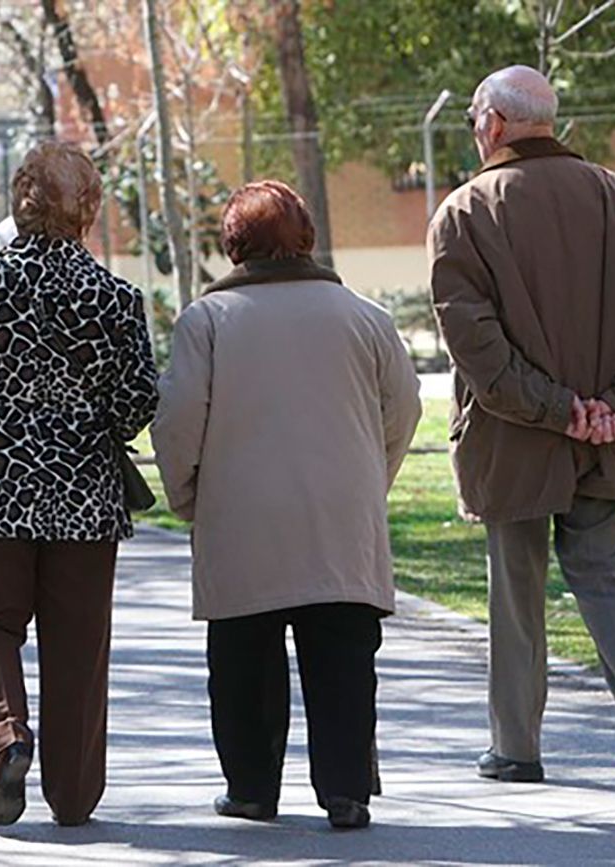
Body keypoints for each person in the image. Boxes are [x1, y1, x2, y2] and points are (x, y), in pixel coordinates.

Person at [428, 66, 615, 797]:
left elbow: (474, 344)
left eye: (476, 119)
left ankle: (516, 746)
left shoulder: (464, 212)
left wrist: (555, 407)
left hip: (515, 439)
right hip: (613, 435)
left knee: (516, 591)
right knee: (613, 577)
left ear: (493, 123)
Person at [153, 181, 422, 829]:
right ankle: (346, 789)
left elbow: (178, 419)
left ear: (234, 245)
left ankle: (251, 785)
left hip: (243, 517)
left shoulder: (207, 321)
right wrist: (369, 477)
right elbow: (405, 408)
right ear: (306, 238)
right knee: (344, 662)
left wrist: (188, 494)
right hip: (341, 517)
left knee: (243, 662)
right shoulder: (365, 316)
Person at [0, 141, 158, 827]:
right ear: (88, 209)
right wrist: (88, 426)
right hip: (82, 496)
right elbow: (138, 396)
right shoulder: (113, 297)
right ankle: (75, 795)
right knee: (79, 640)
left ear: (18, 201)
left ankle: (3, 736)